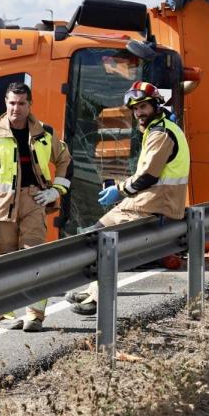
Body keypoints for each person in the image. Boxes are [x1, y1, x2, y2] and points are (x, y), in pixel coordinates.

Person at [66, 81, 190, 316]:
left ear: (155, 105)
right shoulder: (158, 129)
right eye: (134, 109)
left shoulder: (161, 134)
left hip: (154, 203)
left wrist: (119, 190)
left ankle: (98, 298)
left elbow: (148, 176)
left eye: (142, 107)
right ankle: (93, 290)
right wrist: (119, 185)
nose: (138, 113)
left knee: (101, 240)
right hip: (149, 201)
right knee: (98, 234)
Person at [0, 82, 72, 332]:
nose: (16, 108)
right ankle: (4, 314)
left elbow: (65, 160)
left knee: (33, 256)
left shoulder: (45, 132)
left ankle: (35, 316)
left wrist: (55, 191)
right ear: (5, 102)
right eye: (12, 103)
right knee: (6, 260)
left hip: (35, 201)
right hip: (0, 207)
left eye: (22, 103)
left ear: (30, 104)